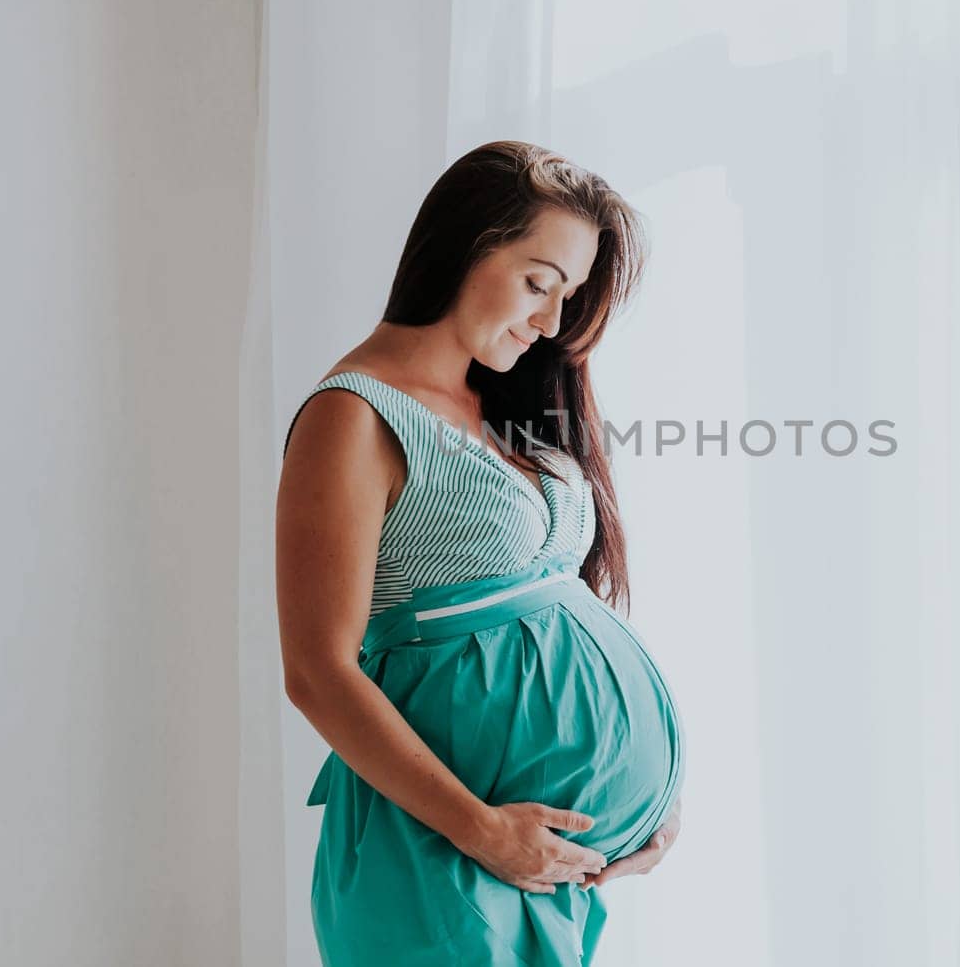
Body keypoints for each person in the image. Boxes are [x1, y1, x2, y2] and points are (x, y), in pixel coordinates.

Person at [276, 140, 686, 965]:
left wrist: (646, 799)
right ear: (467, 244)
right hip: (444, 855)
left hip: (542, 872)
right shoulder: (352, 416)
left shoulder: (506, 409)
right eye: (539, 282)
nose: (549, 321)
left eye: (566, 296)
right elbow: (318, 672)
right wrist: (487, 831)